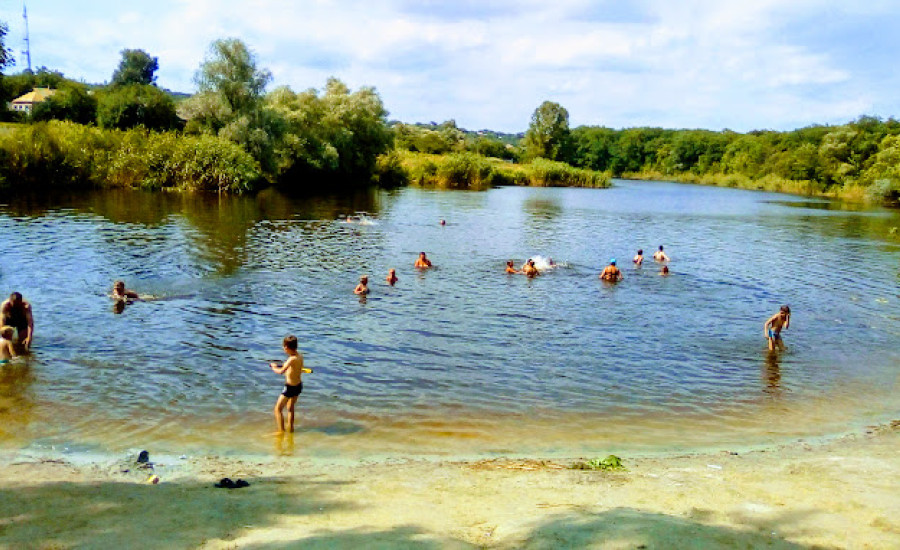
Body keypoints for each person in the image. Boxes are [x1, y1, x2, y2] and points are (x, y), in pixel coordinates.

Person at [270, 335, 307, 433]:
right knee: (290, 408)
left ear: (286, 347)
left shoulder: (291, 359)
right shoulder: (300, 356)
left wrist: (273, 367)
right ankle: (291, 429)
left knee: (278, 409)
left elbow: (281, 371)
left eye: (284, 347)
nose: (283, 349)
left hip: (290, 387)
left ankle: (281, 431)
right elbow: (295, 369)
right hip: (298, 386)